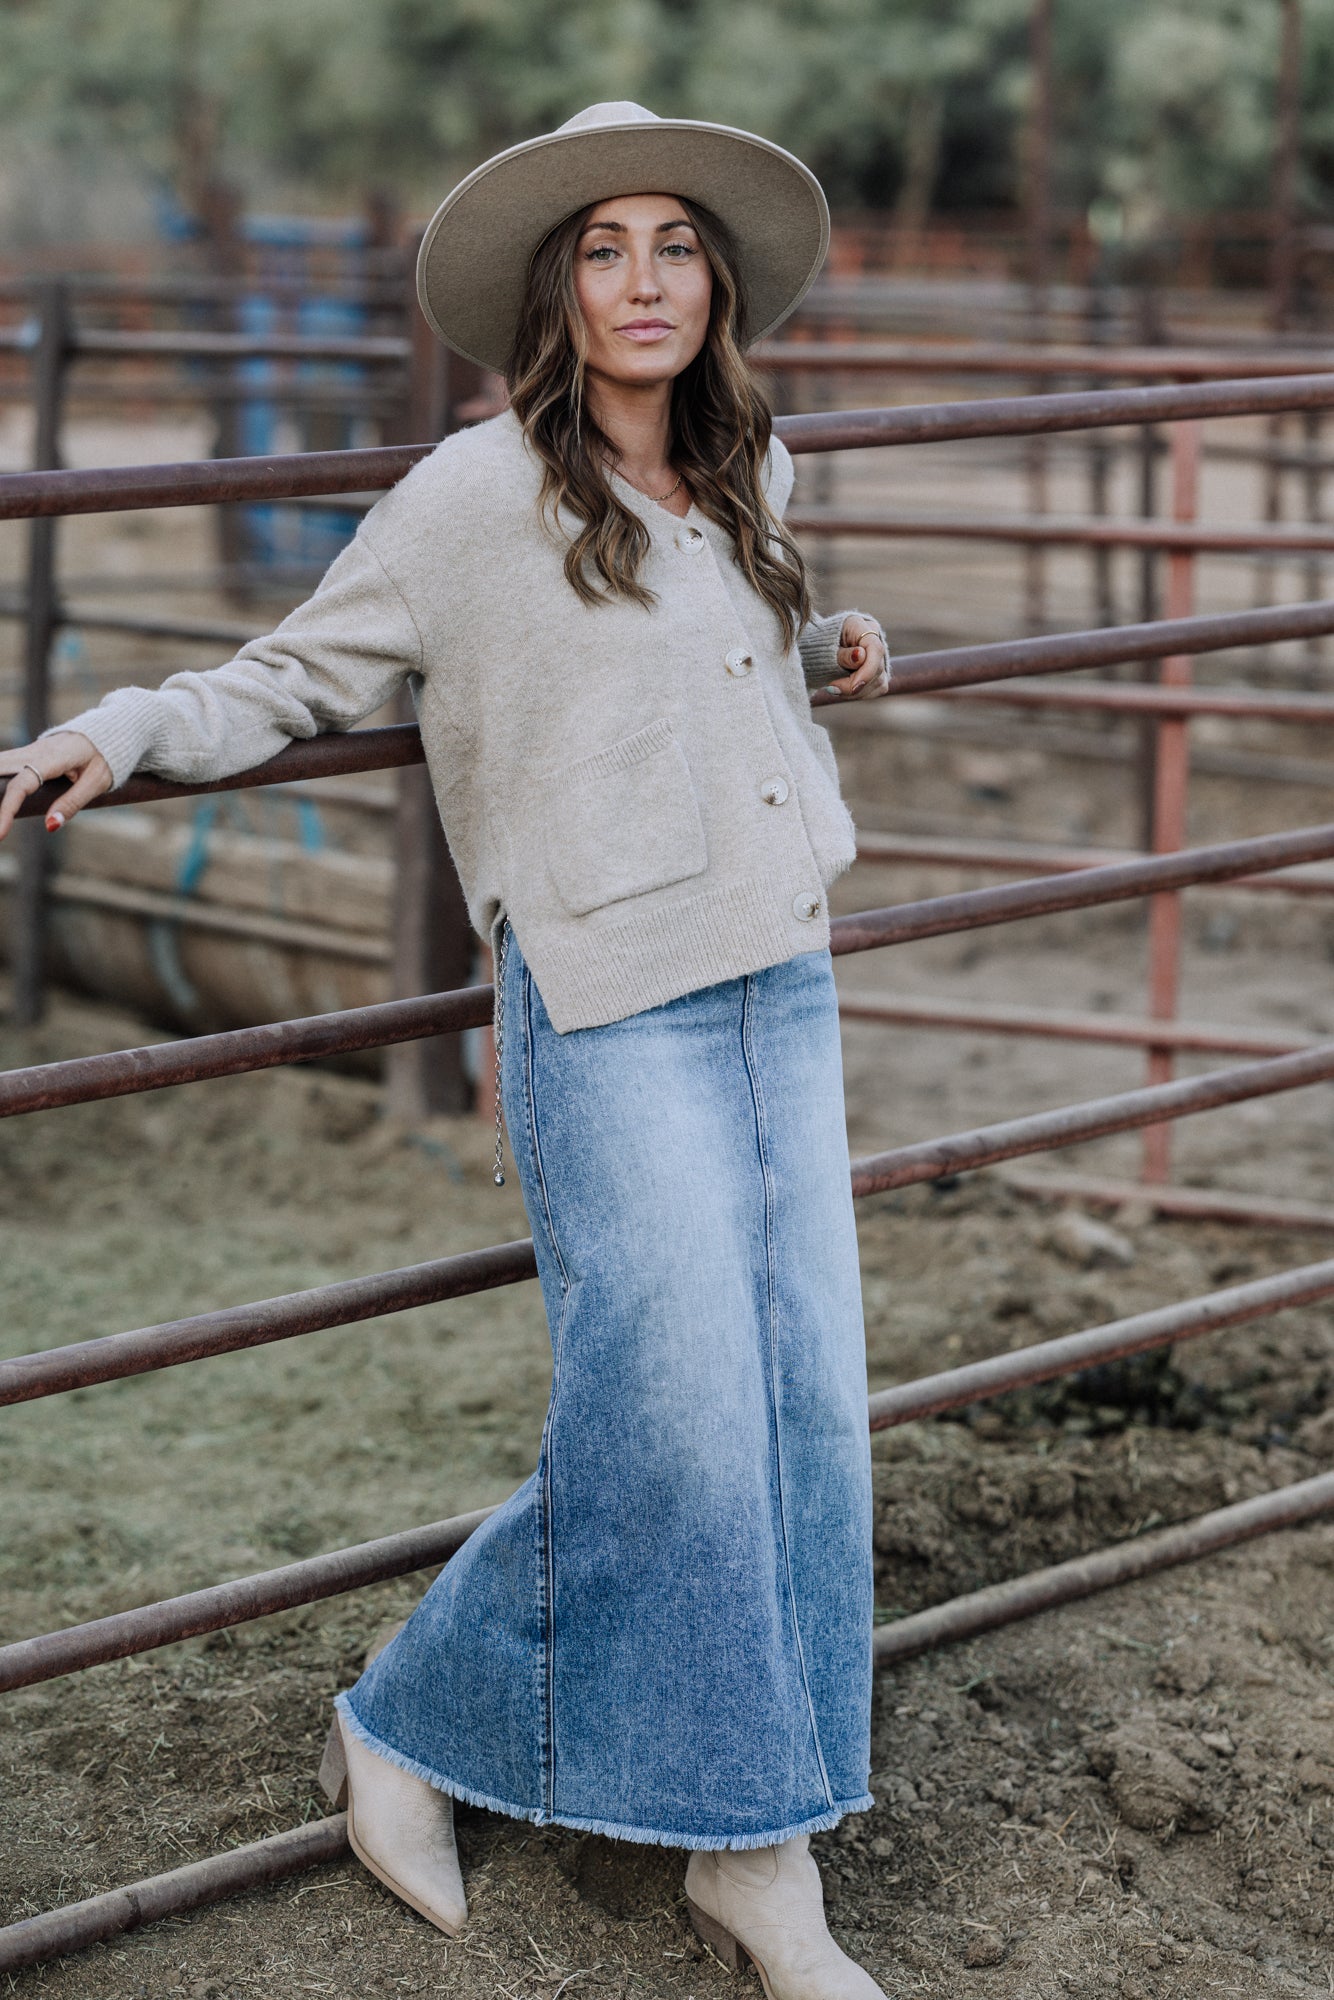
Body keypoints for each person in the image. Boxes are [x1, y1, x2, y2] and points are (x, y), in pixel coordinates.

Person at [0, 103, 893, 1999]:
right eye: (602, 247)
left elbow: (708, 657)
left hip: (782, 981)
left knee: (803, 1409)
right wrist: (131, 728)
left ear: (712, 277)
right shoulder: (471, 500)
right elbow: (294, 673)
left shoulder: (751, 469)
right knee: (674, 1427)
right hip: (609, 1006)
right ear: (554, 291)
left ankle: (760, 1827)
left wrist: (830, 644)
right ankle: (428, 1731)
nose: (643, 278)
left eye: (672, 243)